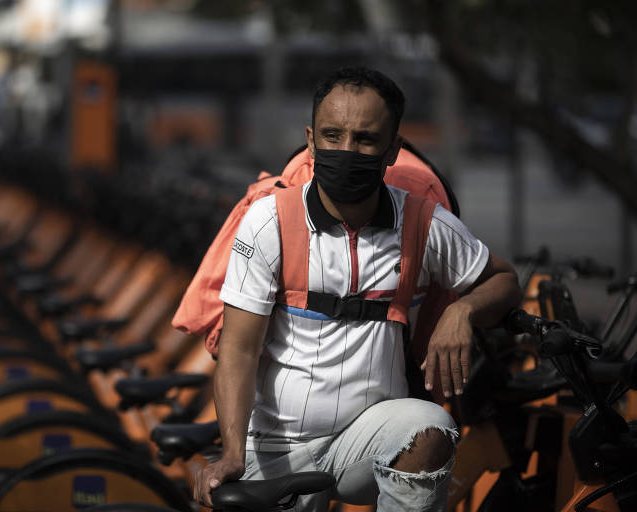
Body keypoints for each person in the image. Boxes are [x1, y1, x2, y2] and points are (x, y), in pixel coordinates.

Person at [194, 66, 522, 511]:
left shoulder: (422, 223)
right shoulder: (270, 221)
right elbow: (238, 349)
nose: (346, 151)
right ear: (311, 141)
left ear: (392, 150)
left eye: (365, 140)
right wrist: (232, 452)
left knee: (429, 428)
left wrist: (461, 311)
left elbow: (503, 280)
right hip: (273, 448)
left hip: (365, 444)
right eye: (333, 136)